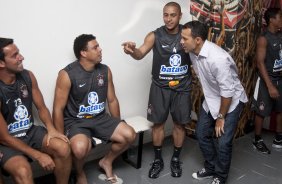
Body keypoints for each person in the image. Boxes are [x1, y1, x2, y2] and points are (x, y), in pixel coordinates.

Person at [53, 34, 136, 184]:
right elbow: (58, 109)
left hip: (100, 118)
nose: (100, 49)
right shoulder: (66, 74)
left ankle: (106, 161)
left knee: (129, 135)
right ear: (83, 53)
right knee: (79, 149)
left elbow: (112, 100)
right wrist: (61, 139)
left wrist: (116, 124)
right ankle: (79, 172)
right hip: (76, 122)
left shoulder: (105, 70)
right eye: (95, 47)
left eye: (99, 46)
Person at [122, 1, 192, 179]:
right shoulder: (155, 35)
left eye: (173, 15)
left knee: (179, 125)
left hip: (182, 88)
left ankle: (175, 159)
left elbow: (199, 53)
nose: (169, 19)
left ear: (180, 16)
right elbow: (140, 53)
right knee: (158, 125)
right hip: (160, 88)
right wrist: (132, 51)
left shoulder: (187, 33)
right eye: (166, 15)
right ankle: (158, 160)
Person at [180, 21, 248, 184]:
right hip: (211, 99)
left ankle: (220, 176)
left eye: (184, 38)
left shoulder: (217, 59)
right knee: (202, 134)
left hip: (230, 102)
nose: (181, 41)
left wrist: (220, 117)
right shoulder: (191, 51)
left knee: (223, 142)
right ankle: (210, 168)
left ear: (197, 40)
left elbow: (227, 92)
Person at [0, 38, 72, 184]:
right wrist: (38, 155)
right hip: (6, 141)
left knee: (63, 148)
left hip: (30, 132)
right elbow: (4, 138)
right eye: (14, 55)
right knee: (23, 170)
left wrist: (51, 129)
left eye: (18, 52)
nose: (21, 57)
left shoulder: (28, 75)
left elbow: (42, 108)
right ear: (1, 63)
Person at [252, 8, 282, 154]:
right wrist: (270, 86)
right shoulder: (263, 39)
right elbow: (260, 63)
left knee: (281, 108)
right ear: (272, 20)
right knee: (261, 111)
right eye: (280, 18)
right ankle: (257, 139)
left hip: (279, 78)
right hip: (266, 80)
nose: (281, 20)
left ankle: (278, 138)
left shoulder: (281, 35)